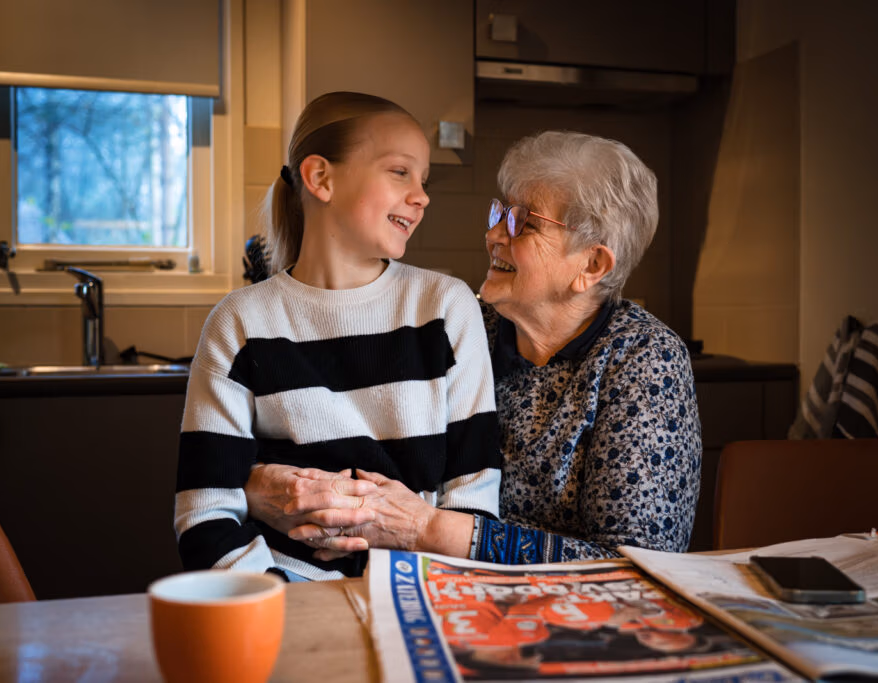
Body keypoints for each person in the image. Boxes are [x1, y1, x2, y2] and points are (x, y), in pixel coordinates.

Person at [247, 130, 702, 566]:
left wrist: (425, 529)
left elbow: (639, 563)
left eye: (524, 223)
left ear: (592, 264)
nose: (494, 235)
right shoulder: (462, 325)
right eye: (500, 213)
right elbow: (343, 437)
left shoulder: (644, 359)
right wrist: (257, 485)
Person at [174, 92, 502, 582]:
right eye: (400, 172)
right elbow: (204, 512)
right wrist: (280, 603)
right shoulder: (238, 321)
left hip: (424, 590)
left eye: (424, 180)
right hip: (284, 599)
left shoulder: (446, 307)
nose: (422, 196)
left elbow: (473, 499)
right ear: (320, 178)